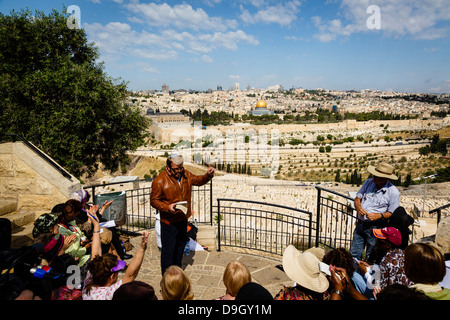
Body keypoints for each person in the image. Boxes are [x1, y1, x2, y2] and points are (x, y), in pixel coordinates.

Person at [150, 154, 214, 275]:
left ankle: (177, 276)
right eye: (176, 169)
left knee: (180, 250)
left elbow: (198, 180)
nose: (179, 171)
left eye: (181, 168)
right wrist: (167, 207)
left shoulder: (186, 175)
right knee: (168, 253)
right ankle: (167, 281)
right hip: (168, 223)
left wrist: (208, 175)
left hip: (182, 220)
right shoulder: (159, 181)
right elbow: (153, 201)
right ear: (168, 168)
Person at [82, 206, 149, 300]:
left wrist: (96, 226)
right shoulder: (108, 294)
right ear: (112, 276)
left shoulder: (89, 282)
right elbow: (130, 275)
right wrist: (142, 249)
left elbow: (95, 254)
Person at [350, 163, 400, 262]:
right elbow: (357, 199)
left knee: (371, 255)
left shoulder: (393, 192)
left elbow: (392, 212)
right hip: (361, 224)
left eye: (377, 176)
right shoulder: (368, 183)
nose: (373, 177)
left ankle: (367, 276)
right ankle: (353, 275)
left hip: (376, 227)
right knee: (354, 254)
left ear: (384, 178)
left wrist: (379, 216)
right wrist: (359, 208)